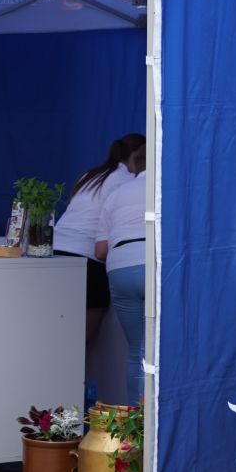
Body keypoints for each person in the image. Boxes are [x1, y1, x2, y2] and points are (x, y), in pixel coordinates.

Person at [53, 133, 146, 341]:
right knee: (81, 342)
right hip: (88, 260)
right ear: (136, 156)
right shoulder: (126, 180)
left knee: (59, 334)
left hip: (56, 253)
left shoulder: (89, 175)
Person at [95, 166, 149, 402]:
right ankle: (156, 422)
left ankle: (136, 425)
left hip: (119, 266)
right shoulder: (169, 187)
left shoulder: (117, 193)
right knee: (159, 349)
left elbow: (100, 251)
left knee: (137, 351)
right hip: (154, 263)